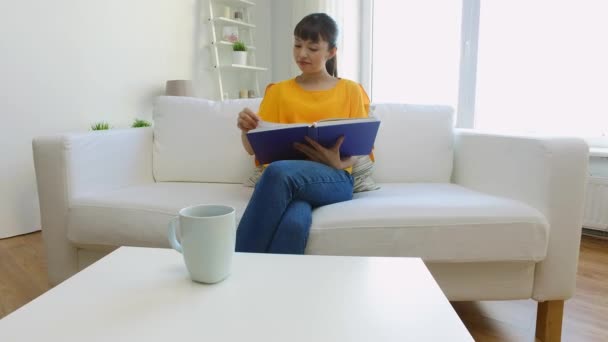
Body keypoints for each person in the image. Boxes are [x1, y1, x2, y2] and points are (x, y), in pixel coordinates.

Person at [235, 13, 370, 254]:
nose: (302, 54)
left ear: (331, 52)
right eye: (297, 45)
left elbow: (359, 149)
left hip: (335, 179)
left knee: (278, 172)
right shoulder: (278, 92)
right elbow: (252, 148)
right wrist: (246, 131)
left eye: (313, 47)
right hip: (285, 182)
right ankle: (277, 290)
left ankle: (235, 265)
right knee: (293, 225)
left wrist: (337, 162)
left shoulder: (351, 91)